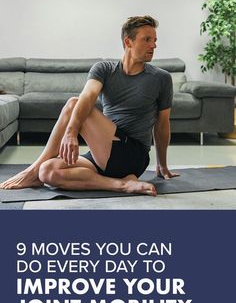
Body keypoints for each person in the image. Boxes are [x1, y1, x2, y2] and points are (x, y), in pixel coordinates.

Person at [0, 15, 179, 195]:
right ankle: (122, 184)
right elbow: (89, 95)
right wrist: (71, 133)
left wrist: (162, 165)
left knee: (72, 104)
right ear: (128, 42)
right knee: (47, 172)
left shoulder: (161, 78)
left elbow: (162, 124)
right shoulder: (104, 69)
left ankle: (31, 171)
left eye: (154, 40)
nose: (153, 45)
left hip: (132, 155)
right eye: (147, 39)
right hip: (102, 154)